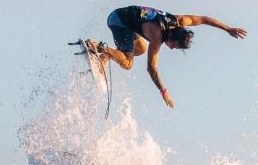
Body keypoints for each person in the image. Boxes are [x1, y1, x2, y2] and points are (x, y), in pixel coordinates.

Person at [86, 6, 247, 109]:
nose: (172, 48)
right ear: (171, 37)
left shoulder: (180, 21)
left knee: (140, 48)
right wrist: (164, 92)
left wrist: (227, 29)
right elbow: (151, 68)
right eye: (174, 46)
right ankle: (99, 48)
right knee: (128, 63)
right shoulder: (157, 36)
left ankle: (105, 57)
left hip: (126, 19)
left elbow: (203, 19)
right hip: (118, 21)